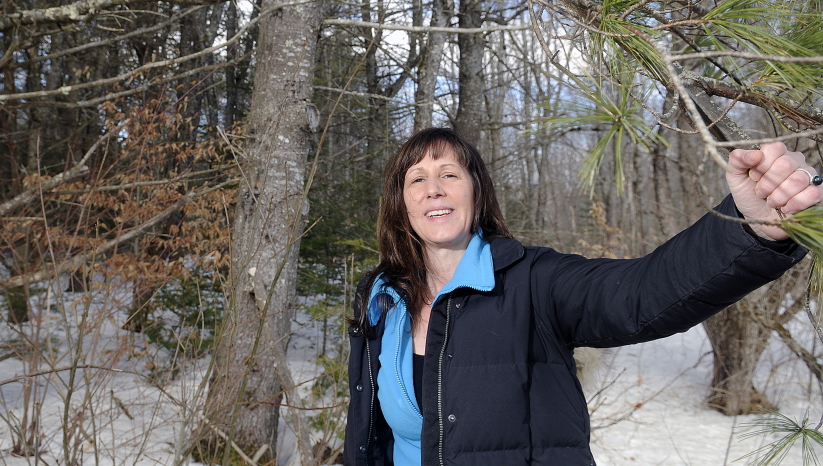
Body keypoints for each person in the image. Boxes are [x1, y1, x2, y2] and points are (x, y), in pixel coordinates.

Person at [344, 128, 822, 466]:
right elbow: (367, 433)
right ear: (401, 204)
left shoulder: (536, 281)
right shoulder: (382, 300)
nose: (433, 189)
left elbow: (642, 294)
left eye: (449, 174)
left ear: (477, 193)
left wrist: (749, 226)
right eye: (416, 179)